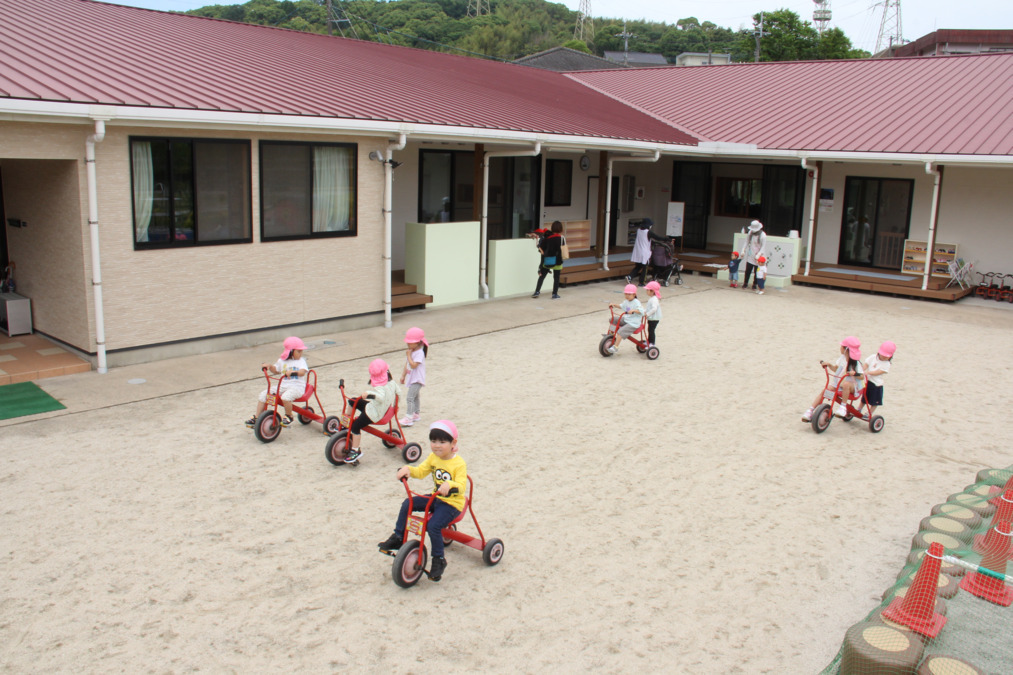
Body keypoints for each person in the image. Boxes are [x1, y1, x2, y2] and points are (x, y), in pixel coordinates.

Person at [377, 420, 467, 582]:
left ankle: (439, 559)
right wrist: (408, 470)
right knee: (408, 503)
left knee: (433, 526)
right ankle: (399, 536)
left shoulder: (458, 463)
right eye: (433, 441)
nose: (437, 446)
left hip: (452, 504)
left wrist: (450, 485)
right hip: (435, 498)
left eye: (442, 442)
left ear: (453, 442)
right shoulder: (433, 457)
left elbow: (461, 486)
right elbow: (421, 471)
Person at [343, 358, 399, 463]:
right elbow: (398, 393)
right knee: (353, 401)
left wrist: (369, 394)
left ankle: (355, 450)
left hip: (374, 414)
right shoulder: (393, 383)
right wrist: (396, 406)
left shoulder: (381, 388)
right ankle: (346, 423)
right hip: (373, 407)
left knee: (356, 426)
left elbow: (381, 397)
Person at [246, 336, 307, 428]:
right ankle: (257, 417)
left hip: (297, 387)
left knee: (286, 397)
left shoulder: (301, 361)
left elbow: (302, 372)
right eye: (298, 351)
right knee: (264, 394)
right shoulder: (282, 361)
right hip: (283, 385)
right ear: (290, 351)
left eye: (301, 351)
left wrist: (294, 372)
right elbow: (276, 370)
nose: (301, 353)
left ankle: (289, 415)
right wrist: (270, 366)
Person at [802, 336, 863, 422]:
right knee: (826, 390)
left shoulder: (855, 363)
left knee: (846, 384)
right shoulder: (842, 359)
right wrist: (829, 365)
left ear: (846, 349)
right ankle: (810, 410)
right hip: (840, 383)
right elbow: (836, 369)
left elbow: (862, 376)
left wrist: (855, 374)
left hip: (853, 387)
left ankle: (843, 407)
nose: (840, 348)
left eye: (842, 346)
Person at [399, 326, 428, 427]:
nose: (408, 344)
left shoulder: (419, 353)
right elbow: (407, 364)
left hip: (417, 379)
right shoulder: (412, 351)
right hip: (413, 378)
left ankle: (409, 417)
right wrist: (403, 376)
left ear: (418, 342)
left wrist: (408, 356)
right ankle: (416, 414)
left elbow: (413, 365)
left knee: (410, 397)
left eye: (410, 342)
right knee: (415, 396)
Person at [627, 218, 668, 287]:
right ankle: (641, 282)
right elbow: (657, 237)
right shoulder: (648, 232)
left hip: (637, 252)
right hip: (644, 252)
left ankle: (630, 277)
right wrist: (667, 239)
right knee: (645, 268)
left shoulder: (639, 230)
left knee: (638, 266)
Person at [859, 341, 895, 418]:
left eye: (887, 356)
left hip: (877, 385)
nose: (885, 357)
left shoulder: (887, 364)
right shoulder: (873, 357)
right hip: (868, 382)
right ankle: (859, 409)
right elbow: (866, 364)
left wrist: (868, 372)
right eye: (883, 355)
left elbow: (879, 372)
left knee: (874, 402)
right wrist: (862, 370)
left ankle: (869, 413)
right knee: (864, 398)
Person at [607, 284, 644, 354]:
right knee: (612, 319)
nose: (627, 296)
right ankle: (611, 335)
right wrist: (614, 305)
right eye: (626, 294)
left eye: (629, 294)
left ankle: (615, 347)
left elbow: (642, 311)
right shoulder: (626, 301)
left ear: (634, 294)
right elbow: (621, 306)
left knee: (620, 331)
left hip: (633, 323)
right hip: (627, 320)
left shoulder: (636, 302)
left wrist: (634, 310)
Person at [533, 220, 564, 300]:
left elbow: (541, 250)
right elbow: (563, 250)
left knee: (542, 276)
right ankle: (554, 294)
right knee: (556, 278)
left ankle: (537, 291)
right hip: (558, 261)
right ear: (561, 229)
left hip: (547, 260)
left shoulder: (547, 238)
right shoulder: (561, 238)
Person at [739, 220, 767, 291]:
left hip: (759, 256)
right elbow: (746, 242)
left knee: (757, 271)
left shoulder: (763, 235)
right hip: (751, 254)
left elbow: (763, 247)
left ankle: (755, 284)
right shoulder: (750, 233)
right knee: (748, 270)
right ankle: (745, 283)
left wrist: (759, 254)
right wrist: (743, 250)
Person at [644, 280, 662, 347]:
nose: (646, 291)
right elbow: (649, 308)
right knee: (649, 330)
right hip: (652, 318)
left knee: (651, 330)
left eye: (647, 290)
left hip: (654, 318)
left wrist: (647, 314)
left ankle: (652, 343)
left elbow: (654, 309)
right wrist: (644, 311)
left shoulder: (654, 299)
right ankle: (649, 341)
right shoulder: (651, 298)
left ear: (652, 291)